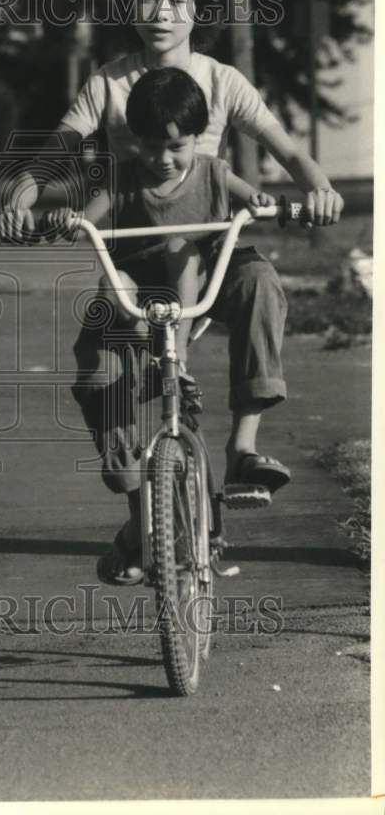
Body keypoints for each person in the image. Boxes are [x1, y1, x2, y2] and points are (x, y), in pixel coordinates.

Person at [0, 0, 343, 534]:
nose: (162, 13)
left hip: (213, 250)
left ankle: (242, 449)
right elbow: (56, 152)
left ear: (198, 9)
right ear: (129, 5)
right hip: (134, 258)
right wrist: (20, 194)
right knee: (100, 358)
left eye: (177, 0)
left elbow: (288, 150)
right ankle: (141, 516)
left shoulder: (221, 81)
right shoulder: (107, 84)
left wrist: (320, 189)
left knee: (261, 281)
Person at [44, 67, 277, 582]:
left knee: (186, 249)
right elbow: (90, 214)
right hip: (137, 295)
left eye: (177, 147)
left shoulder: (213, 172)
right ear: (136, 142)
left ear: (198, 137)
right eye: (152, 147)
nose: (164, 159)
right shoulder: (126, 177)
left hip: (197, 286)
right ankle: (139, 520)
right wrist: (69, 218)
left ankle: (191, 382)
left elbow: (250, 197)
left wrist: (261, 203)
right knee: (100, 365)